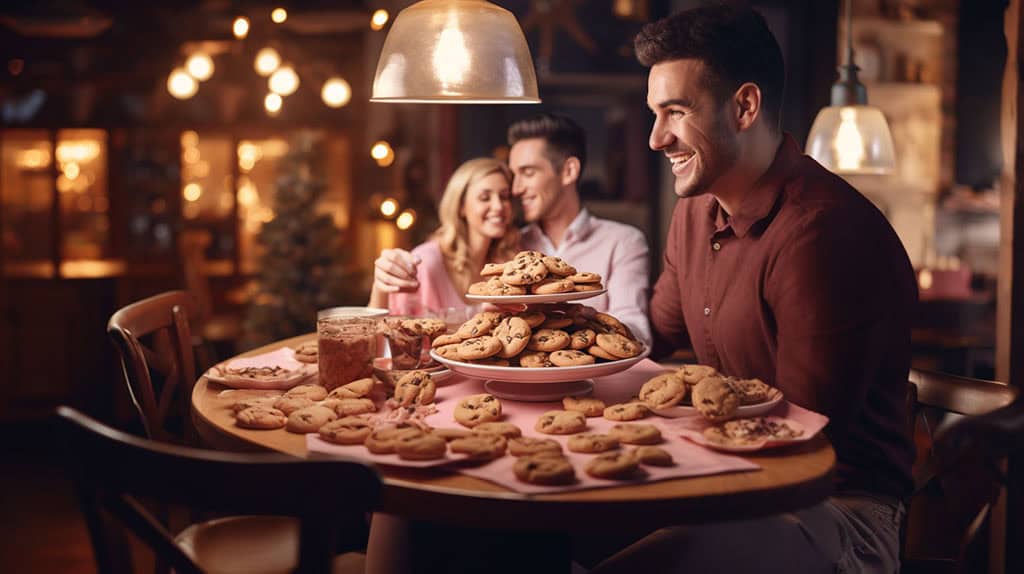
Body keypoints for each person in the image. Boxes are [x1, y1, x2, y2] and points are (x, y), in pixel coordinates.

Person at [591, 5, 916, 573]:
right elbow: (648, 343)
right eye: (654, 114)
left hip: (839, 513)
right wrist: (543, 337)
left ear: (744, 107)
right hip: (732, 482)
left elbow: (796, 433)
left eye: (675, 112)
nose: (656, 138)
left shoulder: (824, 232)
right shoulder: (696, 215)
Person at [508, 113, 652, 345]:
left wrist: (588, 323)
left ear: (569, 171)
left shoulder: (623, 241)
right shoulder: (511, 244)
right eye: (514, 175)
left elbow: (638, 331)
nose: (516, 189)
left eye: (528, 173)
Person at [368, 157, 518, 317]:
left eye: (504, 196)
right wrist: (379, 286)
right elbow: (388, 326)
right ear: (461, 206)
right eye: (485, 198)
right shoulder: (426, 262)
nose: (498, 206)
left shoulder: (507, 263)